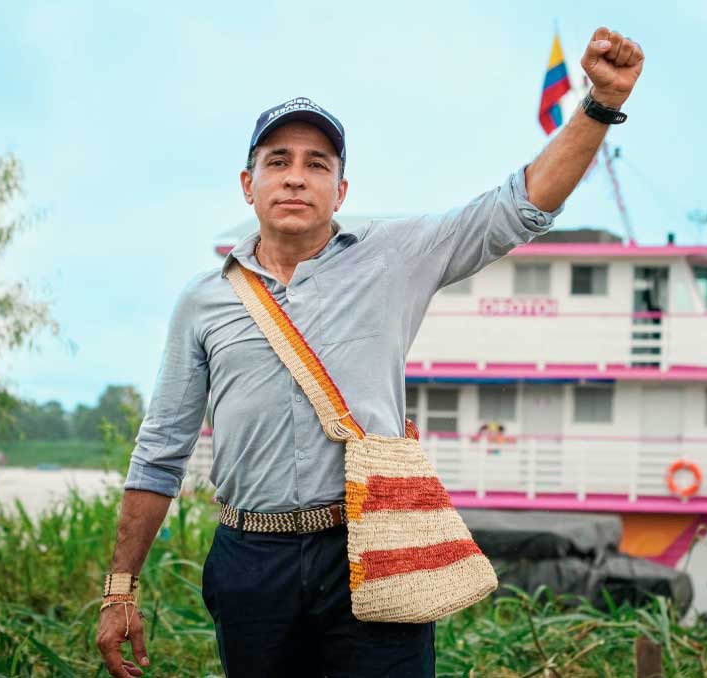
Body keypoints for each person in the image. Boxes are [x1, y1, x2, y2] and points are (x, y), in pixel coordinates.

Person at [95, 27, 646, 678]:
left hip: (373, 543)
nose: (296, 177)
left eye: (316, 164)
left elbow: (517, 208)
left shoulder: (396, 257)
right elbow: (161, 448)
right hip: (251, 560)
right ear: (249, 184)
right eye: (278, 161)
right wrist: (120, 588)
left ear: (341, 190)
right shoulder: (203, 301)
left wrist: (599, 104)